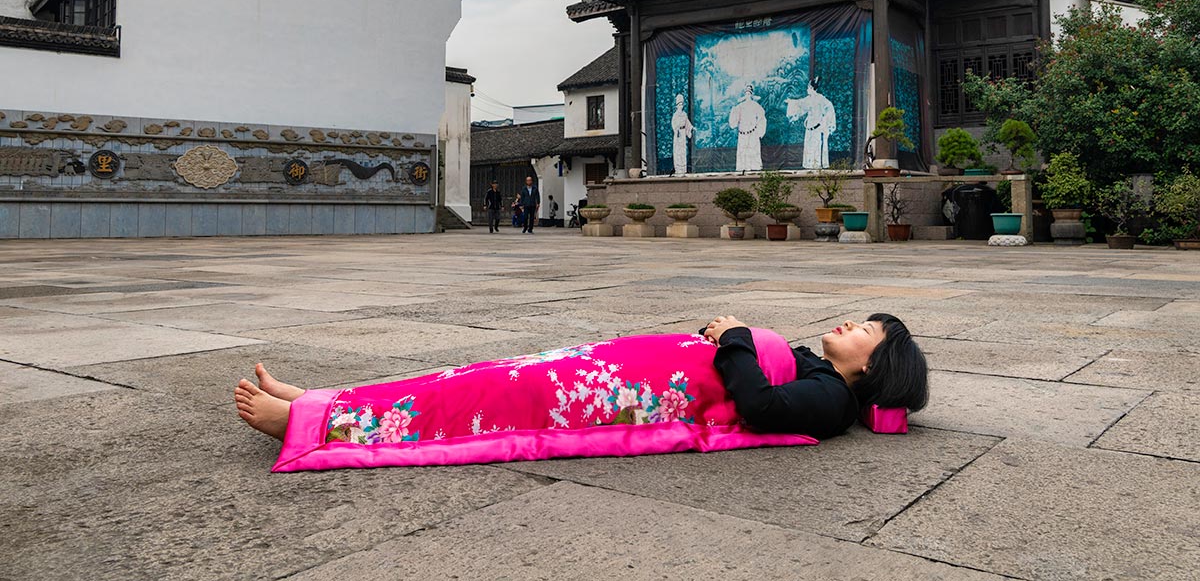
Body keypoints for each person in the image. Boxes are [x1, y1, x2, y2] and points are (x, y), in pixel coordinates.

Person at [234, 312, 928, 471]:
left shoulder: (829, 400)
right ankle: (323, 401)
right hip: (609, 369)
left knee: (472, 408)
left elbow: (759, 406)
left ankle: (311, 429)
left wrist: (738, 335)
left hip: (606, 396)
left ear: (877, 367)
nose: (851, 323)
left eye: (868, 329)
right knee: (467, 379)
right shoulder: (813, 367)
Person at [728, 84, 767, 171]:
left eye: (749, 92)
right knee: (743, 152)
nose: (748, 94)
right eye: (746, 92)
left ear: (752, 94)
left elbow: (762, 118)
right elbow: (733, 122)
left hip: (752, 133)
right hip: (742, 134)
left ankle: (755, 169)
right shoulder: (739, 107)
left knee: (753, 151)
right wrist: (733, 111)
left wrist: (760, 132)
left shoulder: (756, 106)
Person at [671, 93, 694, 175]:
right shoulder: (675, 115)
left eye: (682, 104)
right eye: (679, 104)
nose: (681, 106)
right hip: (678, 134)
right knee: (678, 151)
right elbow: (674, 124)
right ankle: (678, 168)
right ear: (677, 106)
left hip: (683, 133)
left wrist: (691, 128)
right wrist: (677, 130)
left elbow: (687, 123)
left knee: (683, 150)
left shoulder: (684, 114)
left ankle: (683, 168)